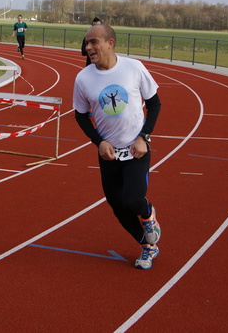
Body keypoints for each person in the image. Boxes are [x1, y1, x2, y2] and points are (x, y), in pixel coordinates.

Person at [73, 24, 163, 270]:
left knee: (132, 200)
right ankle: (147, 246)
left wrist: (143, 136)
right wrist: (98, 141)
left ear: (110, 43)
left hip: (136, 149)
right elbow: (80, 115)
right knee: (116, 205)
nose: (88, 47)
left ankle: (147, 212)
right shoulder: (83, 78)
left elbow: (155, 104)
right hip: (109, 154)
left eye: (94, 42)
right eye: (86, 43)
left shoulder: (133, 68)